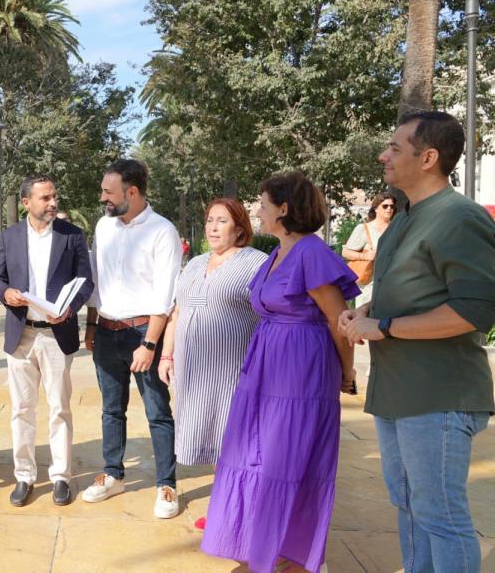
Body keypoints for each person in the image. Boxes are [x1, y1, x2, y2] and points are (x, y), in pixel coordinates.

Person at [341, 111, 495, 573]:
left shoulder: (458, 217)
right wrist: (367, 312)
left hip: (438, 395)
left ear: (428, 158)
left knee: (440, 515)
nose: (383, 154)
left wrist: (384, 327)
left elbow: (475, 311)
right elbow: (411, 290)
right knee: (408, 504)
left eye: (394, 147)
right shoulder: (406, 217)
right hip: (396, 392)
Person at [200, 172, 358, 573]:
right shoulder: (278, 252)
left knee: (288, 461)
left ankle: (292, 555)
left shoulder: (311, 252)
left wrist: (347, 371)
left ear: (284, 209)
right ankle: (263, 545)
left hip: (301, 369)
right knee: (252, 456)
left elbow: (339, 320)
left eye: (263, 202)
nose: (258, 209)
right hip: (265, 367)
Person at [81, 159, 181, 519]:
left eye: (109, 192)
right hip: (106, 333)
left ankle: (166, 484)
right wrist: (91, 327)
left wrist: (150, 345)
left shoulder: (161, 231)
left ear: (132, 192)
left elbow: (165, 296)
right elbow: (96, 282)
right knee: (111, 409)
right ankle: (112, 474)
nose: (102, 198)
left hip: (143, 334)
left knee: (157, 411)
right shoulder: (104, 227)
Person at [158, 199, 266, 520]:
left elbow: (269, 314)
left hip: (232, 370)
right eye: (209, 220)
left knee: (233, 439)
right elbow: (178, 311)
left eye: (222, 220)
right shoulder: (195, 263)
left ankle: (235, 514)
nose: (213, 227)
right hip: (193, 371)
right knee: (213, 439)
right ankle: (225, 508)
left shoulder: (256, 263)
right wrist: (166, 354)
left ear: (240, 227)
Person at [0, 176, 94, 507]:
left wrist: (69, 309)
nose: (53, 203)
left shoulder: (72, 236)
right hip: (21, 333)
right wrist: (5, 293)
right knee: (21, 409)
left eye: (54, 197)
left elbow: (86, 283)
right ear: (26, 202)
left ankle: (61, 476)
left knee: (59, 408)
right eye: (45, 198)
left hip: (55, 336)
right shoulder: (10, 236)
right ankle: (24, 476)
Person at [341, 191, 396, 306]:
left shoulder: (397, 228)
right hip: (369, 286)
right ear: (376, 209)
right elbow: (345, 252)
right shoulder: (364, 229)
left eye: (392, 206)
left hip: (392, 283)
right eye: (385, 206)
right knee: (365, 318)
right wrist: (364, 256)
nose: (389, 209)